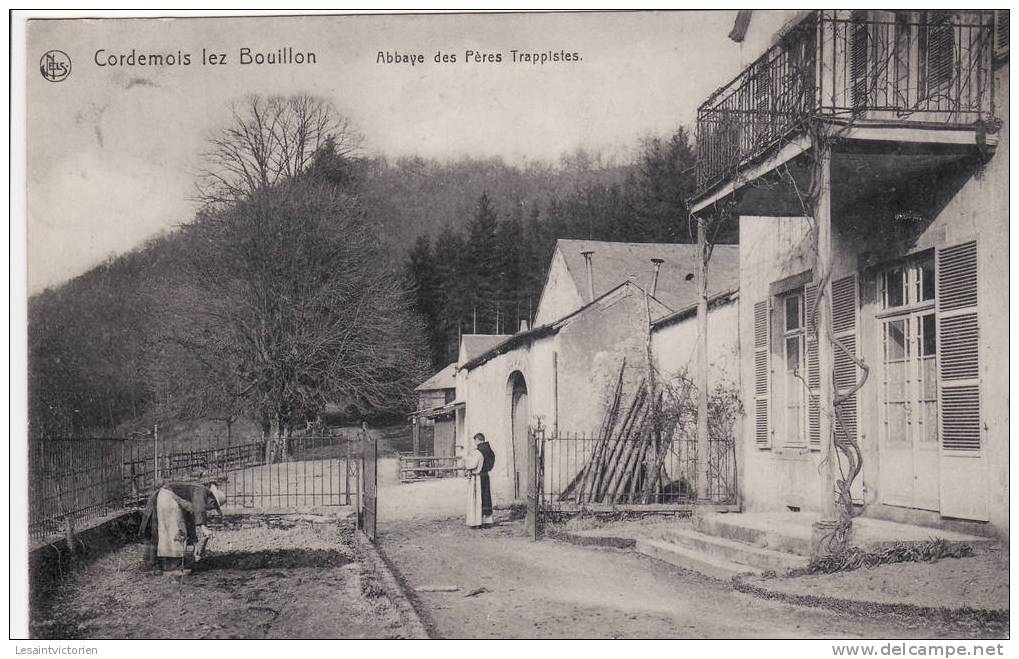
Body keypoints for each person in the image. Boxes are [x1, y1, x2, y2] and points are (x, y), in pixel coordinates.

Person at [140, 480, 225, 575]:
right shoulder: (201, 491)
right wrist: (203, 527)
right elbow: (199, 509)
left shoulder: (192, 496)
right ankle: (171, 566)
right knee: (174, 531)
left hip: (167, 497)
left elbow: (190, 519)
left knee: (172, 531)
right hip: (168, 498)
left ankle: (164, 563)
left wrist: (194, 542)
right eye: (212, 507)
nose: (209, 509)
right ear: (212, 501)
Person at [465, 433, 496, 528]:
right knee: (486, 498)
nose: (474, 443)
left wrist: (466, 462)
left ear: (478, 440)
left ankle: (477, 521)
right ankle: (487, 521)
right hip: (485, 475)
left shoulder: (478, 451)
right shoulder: (489, 450)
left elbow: (472, 464)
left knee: (477, 498)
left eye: (475, 440)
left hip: (477, 477)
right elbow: (491, 462)